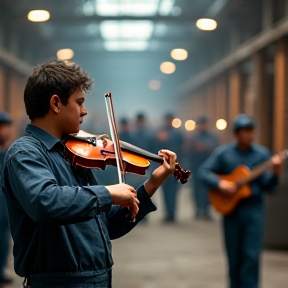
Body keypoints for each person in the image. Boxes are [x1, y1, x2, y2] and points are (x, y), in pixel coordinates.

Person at [1, 60, 177, 288]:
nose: (84, 111)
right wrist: (107, 193)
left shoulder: (72, 153)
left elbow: (107, 225)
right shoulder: (25, 153)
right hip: (58, 283)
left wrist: (153, 182)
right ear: (55, 103)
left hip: (97, 278)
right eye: (79, 102)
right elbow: (45, 202)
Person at [198, 114, 283, 288]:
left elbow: (269, 187)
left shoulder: (262, 154)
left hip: (254, 209)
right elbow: (203, 172)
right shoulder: (223, 153)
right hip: (232, 211)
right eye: (246, 131)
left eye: (252, 131)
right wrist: (220, 183)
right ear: (237, 133)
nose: (250, 135)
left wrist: (275, 173)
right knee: (234, 256)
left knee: (251, 256)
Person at [154, 113, 184, 223]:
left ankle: (172, 213)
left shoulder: (177, 133)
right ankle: (167, 212)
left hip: (175, 165)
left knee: (173, 190)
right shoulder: (160, 132)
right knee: (165, 190)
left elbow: (182, 149)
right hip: (163, 165)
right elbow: (156, 148)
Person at [188, 115, 218, 219]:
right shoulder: (193, 137)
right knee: (196, 189)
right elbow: (188, 152)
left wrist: (205, 148)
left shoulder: (212, 136)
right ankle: (198, 209)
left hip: (209, 166)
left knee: (207, 189)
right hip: (196, 166)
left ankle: (206, 209)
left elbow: (216, 149)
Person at [0, 112, 13, 286]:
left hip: (5, 203)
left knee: (4, 240)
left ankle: (1, 268)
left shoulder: (10, 150)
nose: (5, 131)